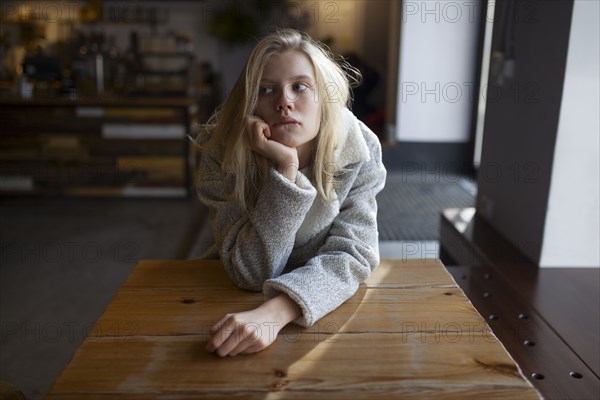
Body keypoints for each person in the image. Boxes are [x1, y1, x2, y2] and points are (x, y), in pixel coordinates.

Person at [195, 28, 386, 357]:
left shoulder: (361, 147)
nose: (284, 101)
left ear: (323, 94)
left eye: (300, 86)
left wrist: (276, 313)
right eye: (266, 89)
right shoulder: (223, 151)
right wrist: (286, 169)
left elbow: (354, 255)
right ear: (250, 103)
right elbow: (251, 272)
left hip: (322, 302)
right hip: (228, 298)